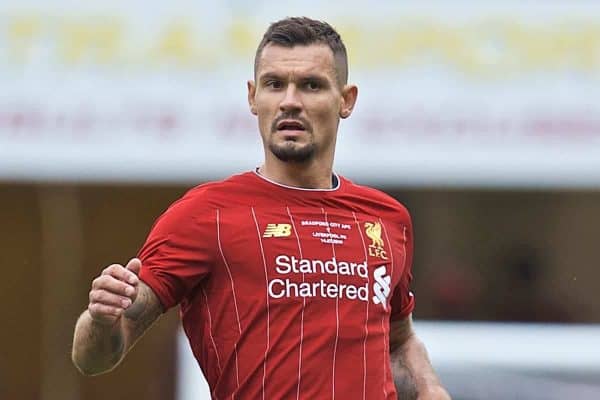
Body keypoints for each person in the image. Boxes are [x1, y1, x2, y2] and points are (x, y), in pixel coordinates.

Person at [71, 17, 450, 400]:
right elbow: (93, 359)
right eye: (274, 84)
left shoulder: (386, 219)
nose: (289, 101)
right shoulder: (206, 214)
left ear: (346, 100)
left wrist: (430, 389)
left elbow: (398, 342)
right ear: (253, 97)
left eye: (311, 85)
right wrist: (102, 320)